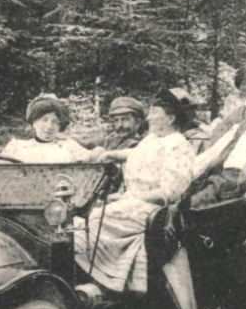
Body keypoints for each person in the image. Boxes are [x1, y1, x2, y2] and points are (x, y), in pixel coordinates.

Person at [74, 92, 195, 296]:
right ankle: (94, 276)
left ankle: (108, 281)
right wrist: (113, 154)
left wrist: (132, 198)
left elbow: (170, 191)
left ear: (171, 118)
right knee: (84, 219)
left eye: (155, 113)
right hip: (134, 201)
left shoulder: (179, 146)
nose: (148, 117)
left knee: (94, 222)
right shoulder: (153, 139)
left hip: (155, 208)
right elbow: (139, 154)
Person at [0, 94, 99, 164]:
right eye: (44, 120)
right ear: (34, 122)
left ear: (60, 125)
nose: (49, 126)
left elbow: (95, 158)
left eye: (55, 122)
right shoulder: (17, 146)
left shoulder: (69, 146)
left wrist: (98, 152)